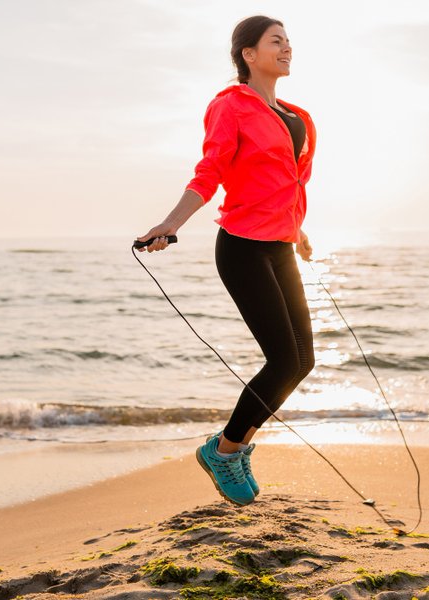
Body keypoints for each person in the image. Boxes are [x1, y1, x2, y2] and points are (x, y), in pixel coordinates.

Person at [135, 15, 317, 506]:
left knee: (303, 362)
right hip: (241, 248)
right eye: (275, 41)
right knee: (282, 360)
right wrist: (171, 224)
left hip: (280, 247)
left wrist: (297, 231)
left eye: (288, 42)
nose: (286, 49)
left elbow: (286, 183)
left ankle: (233, 448)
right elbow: (211, 170)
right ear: (248, 54)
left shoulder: (299, 117)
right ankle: (224, 450)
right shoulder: (230, 107)